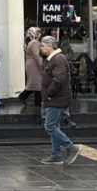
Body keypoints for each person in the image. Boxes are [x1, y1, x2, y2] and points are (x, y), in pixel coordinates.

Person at [39, 35, 79, 164]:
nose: (41, 48)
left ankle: (70, 147)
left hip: (57, 98)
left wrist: (50, 93)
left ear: (50, 47)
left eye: (43, 46)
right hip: (54, 98)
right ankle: (55, 155)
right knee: (54, 125)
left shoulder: (59, 59)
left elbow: (59, 80)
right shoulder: (51, 59)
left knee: (50, 126)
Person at [19, 27, 43, 106]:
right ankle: (23, 97)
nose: (40, 35)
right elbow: (37, 55)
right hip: (34, 65)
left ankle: (36, 101)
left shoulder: (31, 42)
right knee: (36, 83)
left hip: (32, 64)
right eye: (38, 33)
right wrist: (42, 65)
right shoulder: (34, 43)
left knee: (35, 83)